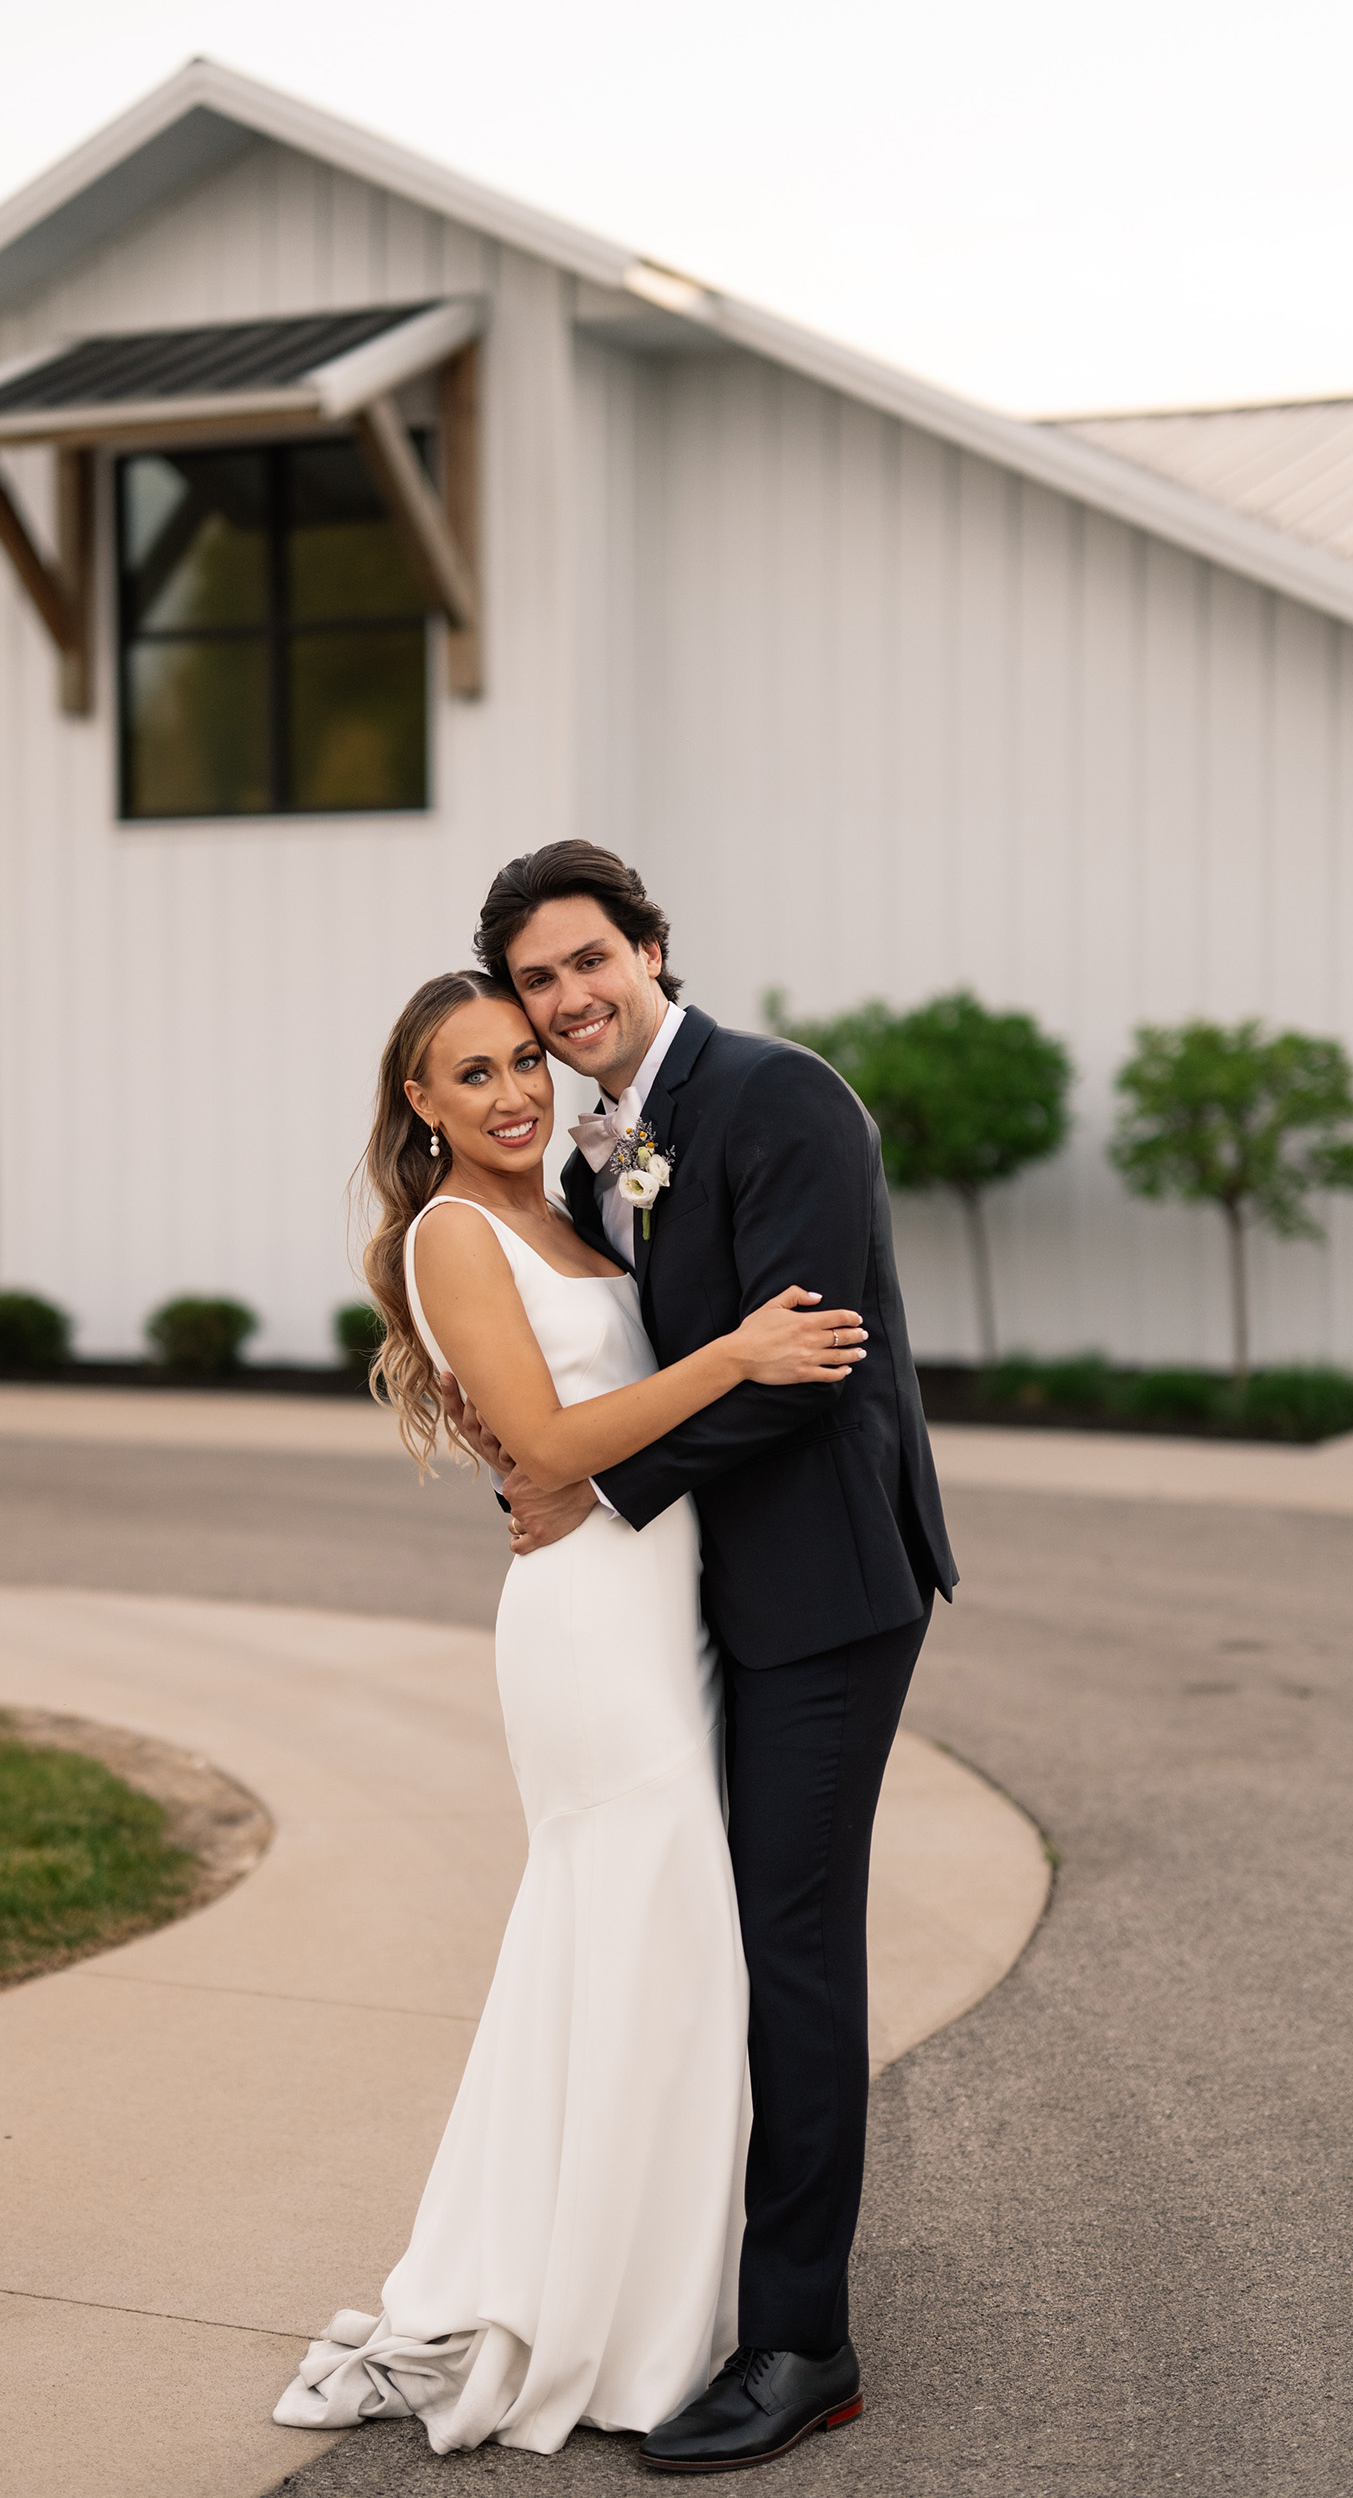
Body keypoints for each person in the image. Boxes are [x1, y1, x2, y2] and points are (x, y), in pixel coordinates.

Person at [273, 967, 868, 2459]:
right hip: (593, 1629)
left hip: (673, 1606)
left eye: (524, 1060)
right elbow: (543, 1439)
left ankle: (658, 2300)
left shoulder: (580, 1212)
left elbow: (568, 1424)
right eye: (470, 1074)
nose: (513, 1091)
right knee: (636, 1942)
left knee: (668, 1961)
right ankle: (601, 2322)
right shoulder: (454, 1233)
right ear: (419, 1102)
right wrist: (735, 1352)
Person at [446, 842, 957, 2471]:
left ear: (653, 947)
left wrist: (590, 1481)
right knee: (709, 1942)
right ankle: (691, 2284)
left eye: (591, 961)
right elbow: (607, 1354)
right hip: (697, 1601)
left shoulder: (781, 1096)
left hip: (822, 1594)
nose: (570, 1000)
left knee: (790, 1947)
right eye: (539, 982)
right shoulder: (598, 1151)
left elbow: (805, 1369)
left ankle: (804, 2341)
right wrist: (533, 1441)